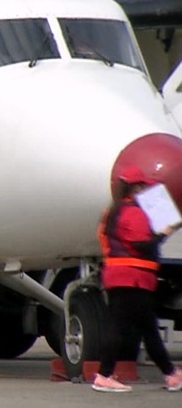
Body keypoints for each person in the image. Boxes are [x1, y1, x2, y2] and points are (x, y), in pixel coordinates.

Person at [92, 165, 182, 393]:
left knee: (142, 327)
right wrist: (163, 233)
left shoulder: (112, 211)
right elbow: (143, 245)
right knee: (131, 328)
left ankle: (171, 374)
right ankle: (104, 375)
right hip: (133, 279)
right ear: (137, 187)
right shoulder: (134, 212)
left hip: (118, 276)